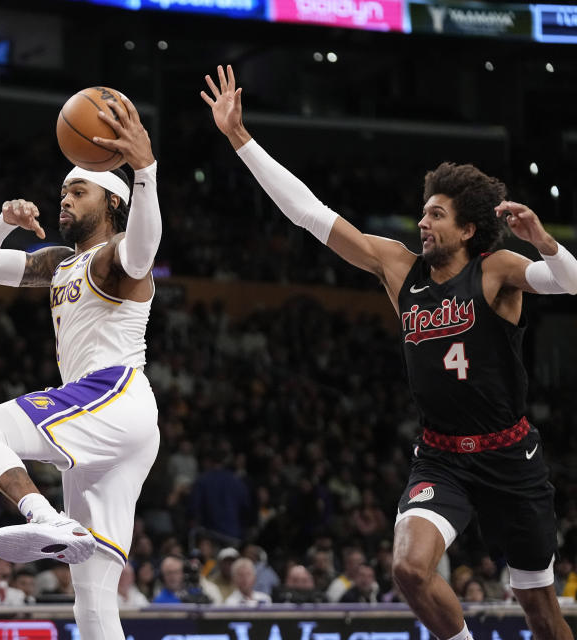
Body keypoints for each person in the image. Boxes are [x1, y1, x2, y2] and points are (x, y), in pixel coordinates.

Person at [203, 64, 577, 640]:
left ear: (469, 230)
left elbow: (569, 282)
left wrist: (546, 242)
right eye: (423, 210)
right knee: (407, 567)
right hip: (442, 457)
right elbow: (310, 214)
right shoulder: (398, 266)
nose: (422, 221)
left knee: (540, 611)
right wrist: (239, 138)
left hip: (510, 458)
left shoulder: (496, 270)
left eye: (435, 214)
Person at [0, 92, 161, 640]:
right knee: (91, 598)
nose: (63, 198)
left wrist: (145, 171)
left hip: (111, 393)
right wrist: (1, 223)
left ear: (112, 202)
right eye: (63, 189)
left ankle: (42, 517)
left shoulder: (117, 259)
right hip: (116, 427)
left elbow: (144, 251)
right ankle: (53, 521)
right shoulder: (60, 263)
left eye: (78, 190)